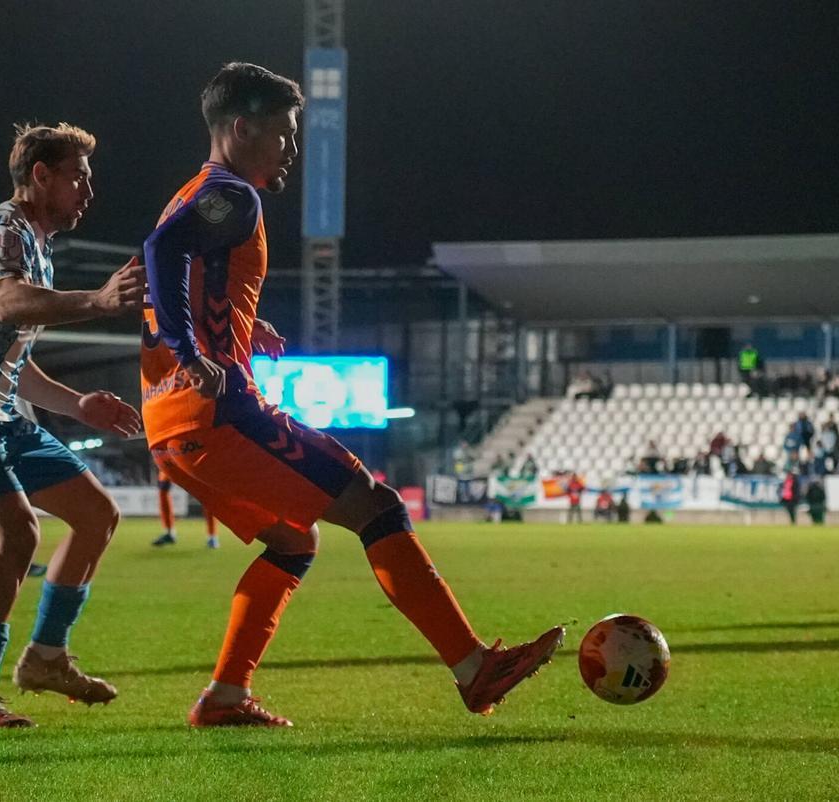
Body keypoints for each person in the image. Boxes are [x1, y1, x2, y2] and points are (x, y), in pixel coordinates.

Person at [141, 63, 562, 727]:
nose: (292, 149)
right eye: (282, 134)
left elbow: (173, 274)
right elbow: (162, 250)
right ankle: (474, 668)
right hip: (222, 418)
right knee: (375, 504)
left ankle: (224, 697)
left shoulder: (196, 192)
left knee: (293, 543)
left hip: (171, 426)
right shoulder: (231, 196)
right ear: (242, 127)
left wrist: (241, 334)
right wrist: (194, 354)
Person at [0, 123, 146, 727]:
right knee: (18, 535)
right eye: (78, 177)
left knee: (97, 516)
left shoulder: (35, 243)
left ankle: (45, 657)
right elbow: (11, 304)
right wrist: (98, 300)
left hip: (1, 411)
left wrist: (78, 406)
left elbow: (12, 353)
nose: (88, 191)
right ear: (40, 176)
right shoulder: (4, 229)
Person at [152, 466, 220, 548]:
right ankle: (169, 533)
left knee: (207, 493)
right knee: (163, 488)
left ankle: (212, 536)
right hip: (169, 457)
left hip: (190, 459)